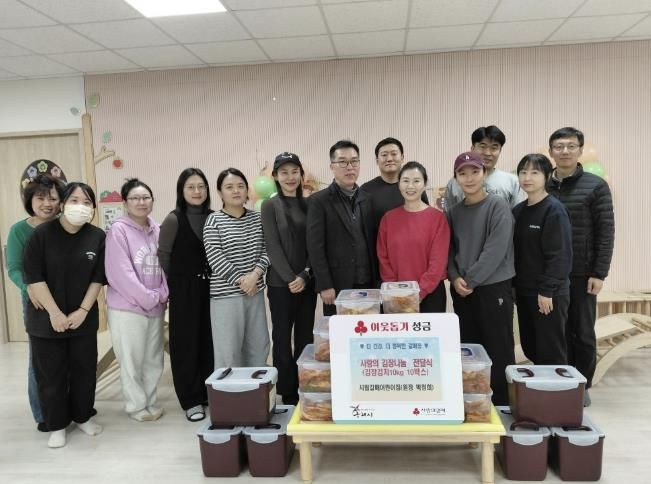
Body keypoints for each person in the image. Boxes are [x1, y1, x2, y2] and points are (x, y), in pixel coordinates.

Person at [23, 182, 105, 448]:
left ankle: (83, 417)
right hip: (46, 319)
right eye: (74, 200)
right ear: (62, 204)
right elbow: (34, 277)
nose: (80, 206)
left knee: (84, 372)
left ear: (93, 208)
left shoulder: (97, 236)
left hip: (83, 318)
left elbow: (98, 278)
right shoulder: (41, 235)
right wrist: (55, 313)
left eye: (86, 202)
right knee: (51, 375)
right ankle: (56, 425)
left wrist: (83, 311)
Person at [546, 127, 615, 406]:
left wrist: (599, 272)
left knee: (583, 331)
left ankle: (581, 384)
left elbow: (606, 231)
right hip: (550, 274)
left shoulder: (595, 186)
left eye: (571, 146)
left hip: (582, 272)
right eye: (559, 146)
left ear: (580, 150)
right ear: (551, 152)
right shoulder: (542, 184)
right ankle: (559, 380)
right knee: (556, 331)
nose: (565, 151)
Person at [447, 152, 515, 406]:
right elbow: (448, 250)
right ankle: (474, 403)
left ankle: (503, 404)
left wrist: (470, 280)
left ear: (484, 173)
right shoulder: (453, 212)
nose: (469, 178)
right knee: (469, 348)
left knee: (498, 347)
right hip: (462, 289)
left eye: (474, 172)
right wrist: (454, 277)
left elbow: (495, 250)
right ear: (456, 179)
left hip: (492, 287)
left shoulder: (498, 206)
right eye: (462, 173)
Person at [105, 178, 168, 422]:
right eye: (135, 198)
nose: (141, 202)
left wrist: (162, 294)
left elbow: (166, 265)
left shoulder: (158, 229)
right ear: (125, 203)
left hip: (156, 306)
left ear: (152, 200)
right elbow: (121, 273)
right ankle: (136, 406)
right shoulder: (118, 230)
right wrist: (150, 296)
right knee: (131, 361)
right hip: (128, 308)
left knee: (153, 359)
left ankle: (150, 401)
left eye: (145, 198)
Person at [6, 174, 65, 431]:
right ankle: (42, 414)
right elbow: (14, 268)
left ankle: (68, 408)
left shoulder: (66, 226)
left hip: (67, 299)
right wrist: (27, 287)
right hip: (36, 302)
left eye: (53, 198)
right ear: (30, 200)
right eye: (40, 198)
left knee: (68, 356)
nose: (47, 204)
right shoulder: (19, 231)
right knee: (40, 359)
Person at [158, 168, 214, 422]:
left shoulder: (214, 217)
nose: (197, 191)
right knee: (186, 345)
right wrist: (174, 287)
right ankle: (191, 400)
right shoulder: (174, 219)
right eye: (190, 187)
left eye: (201, 186)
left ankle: (207, 392)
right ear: (181, 191)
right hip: (183, 290)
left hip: (212, 288)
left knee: (209, 343)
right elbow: (164, 257)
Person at [261, 152, 317, 405]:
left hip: (307, 281)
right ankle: (287, 390)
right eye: (284, 172)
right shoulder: (270, 205)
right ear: (275, 176)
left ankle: (305, 384)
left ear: (301, 175)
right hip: (280, 284)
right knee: (282, 338)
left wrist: (305, 275)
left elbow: (315, 243)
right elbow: (272, 245)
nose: (290, 177)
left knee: (305, 338)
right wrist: (290, 278)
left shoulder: (310, 204)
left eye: (295, 171)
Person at [203, 168, 270, 368]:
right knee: (228, 351)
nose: (236, 191)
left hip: (254, 293)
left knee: (258, 347)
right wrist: (242, 281)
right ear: (220, 192)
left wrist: (255, 275)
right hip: (226, 296)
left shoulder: (258, 218)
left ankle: (256, 387)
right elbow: (215, 258)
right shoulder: (214, 220)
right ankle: (229, 388)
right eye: (229, 187)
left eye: (241, 186)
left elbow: (268, 249)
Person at [306, 140, 379, 316]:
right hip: (337, 285)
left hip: (367, 282)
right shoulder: (319, 201)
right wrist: (324, 284)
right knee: (340, 331)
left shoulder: (367, 199)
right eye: (343, 162)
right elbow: (315, 247)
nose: (350, 167)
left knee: (367, 329)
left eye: (354, 161)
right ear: (332, 166)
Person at [513, 154, 572, 365]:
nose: (527, 177)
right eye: (523, 172)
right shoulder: (518, 211)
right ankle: (539, 386)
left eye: (534, 172)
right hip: (524, 291)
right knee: (531, 346)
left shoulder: (554, 210)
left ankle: (557, 386)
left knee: (551, 351)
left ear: (547, 176)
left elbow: (560, 255)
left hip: (548, 294)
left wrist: (547, 291)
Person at [376, 161, 449, 312]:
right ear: (399, 184)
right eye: (405, 181)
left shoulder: (438, 219)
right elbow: (383, 258)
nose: (410, 186)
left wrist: (418, 293)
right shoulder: (388, 219)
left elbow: (438, 263)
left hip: (430, 294)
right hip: (396, 295)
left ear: (425, 184)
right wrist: (396, 291)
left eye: (416, 181)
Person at [444, 125, 523, 212]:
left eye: (494, 148)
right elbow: (448, 216)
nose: (487, 153)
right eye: (482, 147)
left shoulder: (512, 181)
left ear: (500, 151)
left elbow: (518, 215)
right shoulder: (454, 183)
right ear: (472, 148)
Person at [361, 137, 429, 225]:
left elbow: (426, 216)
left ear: (402, 157)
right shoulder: (365, 190)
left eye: (394, 154)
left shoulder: (414, 187)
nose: (389, 159)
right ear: (377, 160)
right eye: (384, 155)